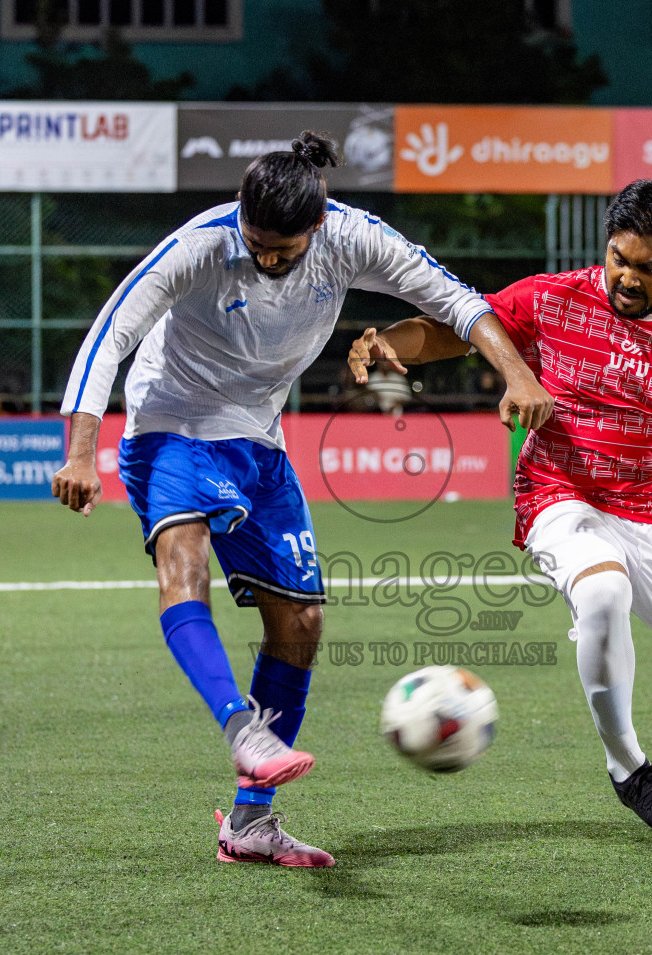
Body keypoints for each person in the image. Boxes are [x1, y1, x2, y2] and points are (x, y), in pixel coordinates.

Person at [50, 131, 554, 868]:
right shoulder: (200, 244)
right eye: (256, 241)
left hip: (259, 436)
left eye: (283, 248)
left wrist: (518, 374)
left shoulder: (354, 239)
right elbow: (111, 331)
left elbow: (457, 300)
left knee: (303, 622)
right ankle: (240, 729)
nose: (267, 258)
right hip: (172, 420)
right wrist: (79, 452)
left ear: (317, 225)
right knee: (183, 564)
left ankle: (252, 823)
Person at [349, 179, 652, 853]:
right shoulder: (554, 298)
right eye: (619, 257)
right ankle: (630, 768)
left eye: (647, 267)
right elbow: (456, 327)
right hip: (562, 493)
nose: (626, 275)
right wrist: (389, 342)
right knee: (602, 590)